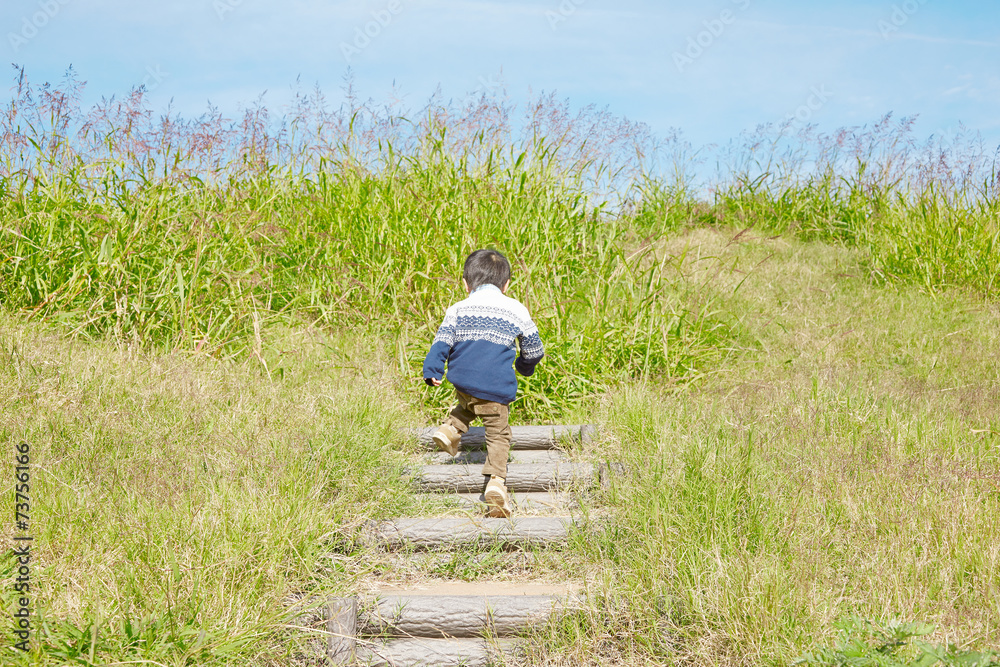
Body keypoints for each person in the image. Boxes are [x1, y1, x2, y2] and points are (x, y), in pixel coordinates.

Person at [423, 249, 544, 518]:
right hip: (495, 387)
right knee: (498, 433)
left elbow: (440, 343)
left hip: (463, 381)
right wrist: (525, 367)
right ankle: (497, 482)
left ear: (466, 283)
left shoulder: (457, 308)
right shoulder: (515, 308)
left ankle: (450, 429)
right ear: (506, 284)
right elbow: (535, 349)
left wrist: (433, 369)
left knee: (468, 403)